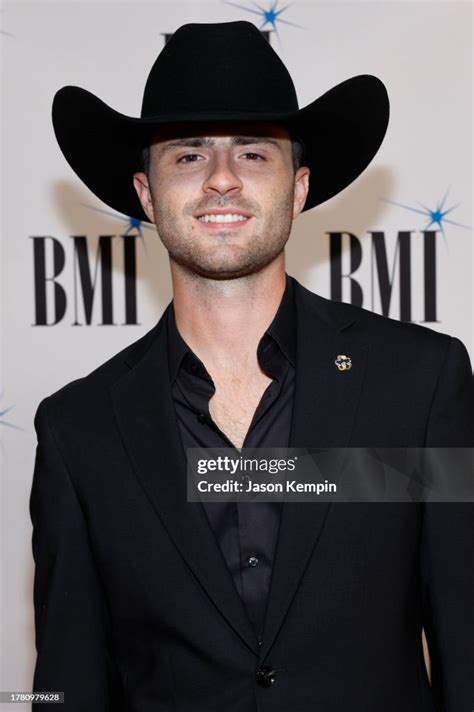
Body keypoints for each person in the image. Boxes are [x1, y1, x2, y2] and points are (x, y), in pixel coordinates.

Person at [30, 20, 473, 712]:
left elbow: (466, 646)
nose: (223, 180)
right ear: (146, 196)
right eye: (188, 156)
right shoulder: (78, 431)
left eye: (253, 154)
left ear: (298, 189)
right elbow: (70, 687)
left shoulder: (419, 386)